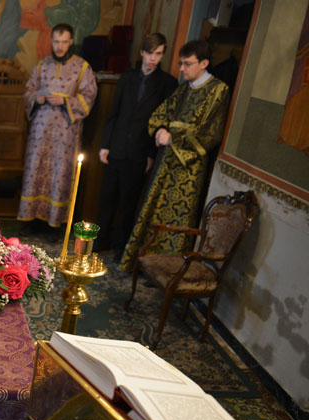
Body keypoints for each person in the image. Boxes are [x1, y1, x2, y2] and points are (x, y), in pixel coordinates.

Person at [119, 40, 230, 271]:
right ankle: (146, 264)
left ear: (204, 63)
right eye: (181, 63)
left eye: (187, 64)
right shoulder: (183, 89)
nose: (181, 69)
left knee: (177, 218)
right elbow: (161, 113)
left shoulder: (218, 91)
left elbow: (210, 134)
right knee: (154, 213)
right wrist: (160, 129)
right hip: (165, 161)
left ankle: (168, 270)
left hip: (188, 169)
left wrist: (173, 140)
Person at [94, 33, 178, 261]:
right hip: (116, 147)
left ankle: (121, 248)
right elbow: (114, 111)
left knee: (128, 204)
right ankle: (100, 241)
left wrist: (151, 154)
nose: (153, 58)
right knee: (106, 198)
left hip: (140, 151)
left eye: (158, 54)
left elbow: (164, 121)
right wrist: (105, 144)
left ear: (163, 54)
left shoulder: (167, 83)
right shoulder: (127, 77)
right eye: (150, 53)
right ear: (142, 52)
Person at [17, 23, 97, 237]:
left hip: (65, 133)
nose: (60, 46)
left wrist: (65, 101)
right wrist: (36, 98)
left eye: (64, 42)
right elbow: (28, 92)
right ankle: (30, 220)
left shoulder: (82, 67)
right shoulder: (42, 65)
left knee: (59, 175)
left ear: (70, 42)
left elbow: (88, 97)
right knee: (35, 171)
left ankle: (55, 224)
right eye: (56, 42)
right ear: (51, 42)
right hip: (40, 132)